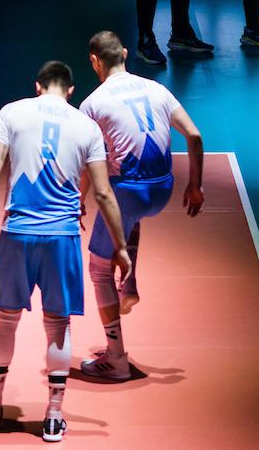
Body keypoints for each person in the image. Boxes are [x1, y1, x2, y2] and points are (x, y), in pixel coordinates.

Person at [0, 61, 130, 443]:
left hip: (17, 233)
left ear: (37, 85)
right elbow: (103, 192)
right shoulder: (87, 126)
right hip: (63, 237)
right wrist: (119, 246)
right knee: (58, 324)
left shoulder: (11, 112)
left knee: (5, 318)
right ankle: (54, 416)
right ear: (71, 91)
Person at [77, 31, 204, 381]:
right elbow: (194, 136)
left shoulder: (92, 103)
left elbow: (89, 163)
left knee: (98, 269)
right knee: (129, 205)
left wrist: (79, 201)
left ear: (94, 61)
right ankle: (129, 283)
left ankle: (116, 359)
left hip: (129, 195)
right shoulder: (157, 89)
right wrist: (195, 186)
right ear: (127, 54)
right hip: (163, 190)